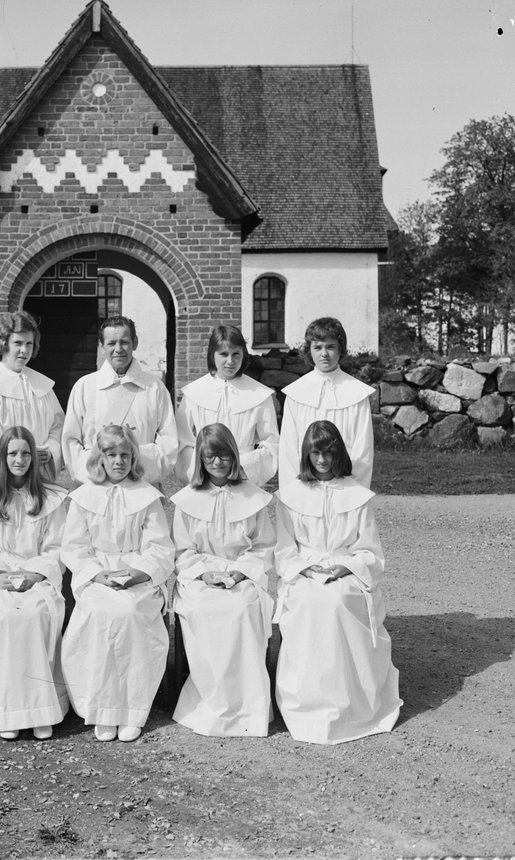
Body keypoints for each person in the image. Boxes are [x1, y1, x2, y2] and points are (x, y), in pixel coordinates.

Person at [273, 420, 401, 744]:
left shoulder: (356, 496)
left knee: (339, 601)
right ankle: (310, 706)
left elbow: (370, 551)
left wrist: (346, 567)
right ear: (306, 454)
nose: (322, 460)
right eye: (316, 453)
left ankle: (350, 705)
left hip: (347, 570)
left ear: (338, 453)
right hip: (305, 572)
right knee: (310, 602)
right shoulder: (290, 497)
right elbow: (285, 551)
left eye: (329, 452)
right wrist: (306, 570)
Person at [60, 424, 173, 742]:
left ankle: (132, 709)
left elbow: (160, 548)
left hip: (138, 577)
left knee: (133, 613)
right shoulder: (84, 498)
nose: (119, 461)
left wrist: (137, 573)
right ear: (100, 458)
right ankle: (103, 709)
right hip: (97, 577)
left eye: (125, 454)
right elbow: (74, 548)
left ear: (133, 457)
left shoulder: (146, 497)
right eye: (112, 455)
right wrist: (97, 575)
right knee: (99, 613)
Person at [170, 423, 276, 737]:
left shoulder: (252, 498)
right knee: (204, 609)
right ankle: (211, 702)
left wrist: (242, 571)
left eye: (224, 455)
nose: (218, 463)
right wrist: (202, 573)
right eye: (210, 457)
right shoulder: (188, 500)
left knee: (243, 608)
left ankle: (247, 708)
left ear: (234, 456)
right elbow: (182, 549)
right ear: (200, 461)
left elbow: (263, 545)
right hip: (200, 576)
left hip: (242, 573)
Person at [0, 425, 70, 741]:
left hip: (38, 578)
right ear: (2, 457)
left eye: (26, 453)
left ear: (34, 457)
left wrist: (35, 575)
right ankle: (7, 709)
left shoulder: (52, 499)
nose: (19, 459)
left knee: (33, 615)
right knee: (3, 617)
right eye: (12, 453)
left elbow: (57, 548)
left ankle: (41, 710)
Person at [62, 316, 178, 487]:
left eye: (124, 342)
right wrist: (92, 471)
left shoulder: (154, 387)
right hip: (96, 484)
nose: (118, 349)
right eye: (111, 343)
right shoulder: (85, 386)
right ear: (101, 346)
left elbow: (169, 439)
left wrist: (141, 468)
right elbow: (70, 439)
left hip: (142, 483)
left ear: (135, 343)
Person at [0, 311, 64, 495]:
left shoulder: (43, 386)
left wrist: (49, 451)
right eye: (18, 343)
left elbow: (58, 427)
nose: (25, 350)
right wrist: (16, 456)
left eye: (29, 343)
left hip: (38, 479)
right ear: (3, 343)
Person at [175, 324, 279, 486]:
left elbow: (271, 443)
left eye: (236, 354)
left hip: (243, 477)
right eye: (224, 354)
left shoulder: (259, 394)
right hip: (205, 474)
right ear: (212, 355)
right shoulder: (195, 392)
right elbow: (183, 440)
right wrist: (200, 472)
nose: (230, 361)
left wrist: (242, 467)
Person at [278, 317, 375, 489]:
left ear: (340, 349)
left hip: (345, 484)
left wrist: (351, 489)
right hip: (305, 484)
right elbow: (288, 449)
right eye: (317, 347)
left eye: (330, 347)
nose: (324, 354)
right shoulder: (296, 393)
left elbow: (363, 449)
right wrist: (296, 488)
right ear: (310, 350)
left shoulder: (357, 393)